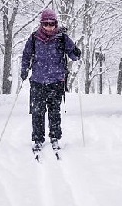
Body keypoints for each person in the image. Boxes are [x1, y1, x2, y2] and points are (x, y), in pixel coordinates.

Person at [20, 9, 82, 153]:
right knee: (37, 111)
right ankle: (38, 139)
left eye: (52, 23)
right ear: (41, 24)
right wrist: (24, 69)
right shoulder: (34, 38)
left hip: (56, 81)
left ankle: (55, 137)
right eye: (46, 23)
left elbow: (73, 54)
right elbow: (26, 55)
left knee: (54, 111)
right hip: (37, 81)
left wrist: (76, 53)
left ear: (56, 23)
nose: (49, 26)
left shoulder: (62, 38)